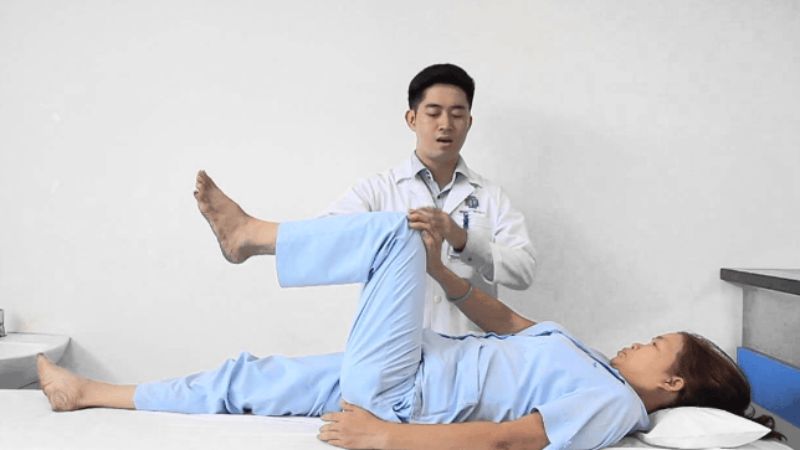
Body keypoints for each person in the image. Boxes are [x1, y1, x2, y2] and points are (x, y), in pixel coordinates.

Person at [37, 172, 781, 450]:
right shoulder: (592, 363)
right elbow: (508, 322)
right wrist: (439, 273)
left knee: (393, 230)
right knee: (252, 378)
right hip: (410, 369)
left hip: (406, 395)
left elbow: (511, 440)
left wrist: (388, 439)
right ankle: (91, 393)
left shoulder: (614, 407)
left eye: (655, 344)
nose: (638, 342)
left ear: (673, 383)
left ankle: (250, 237)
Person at [324, 63, 536, 335]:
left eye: (457, 115)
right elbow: (325, 238)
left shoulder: (491, 196)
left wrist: (463, 240)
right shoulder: (377, 190)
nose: (445, 124)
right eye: (433, 113)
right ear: (412, 119)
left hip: (470, 349)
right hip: (394, 346)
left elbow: (523, 270)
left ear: (469, 122)